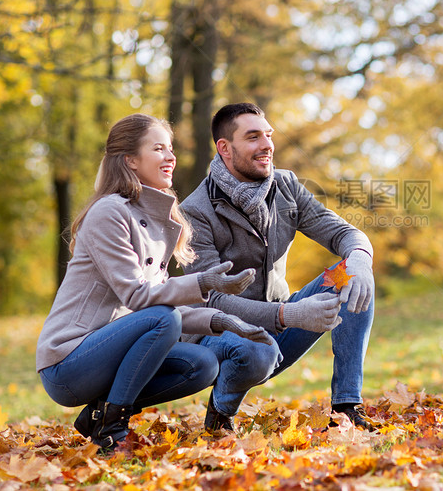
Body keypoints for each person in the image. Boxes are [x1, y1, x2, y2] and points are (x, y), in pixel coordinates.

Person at [36, 113, 272, 452]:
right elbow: (139, 298)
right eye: (159, 148)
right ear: (130, 160)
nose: (171, 157)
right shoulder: (109, 212)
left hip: (109, 354)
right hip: (68, 361)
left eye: (171, 148)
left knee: (203, 365)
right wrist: (204, 282)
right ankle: (111, 428)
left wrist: (224, 322)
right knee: (164, 319)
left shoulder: (154, 217)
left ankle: (100, 414)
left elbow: (163, 305)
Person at [179, 102, 376, 432]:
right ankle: (220, 412)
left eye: (268, 135)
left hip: (281, 324)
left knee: (349, 273)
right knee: (253, 349)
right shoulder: (194, 212)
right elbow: (212, 301)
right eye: (253, 137)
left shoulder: (286, 186)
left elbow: (343, 232)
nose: (267, 144)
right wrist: (290, 315)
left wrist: (359, 257)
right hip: (221, 338)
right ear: (225, 148)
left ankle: (346, 407)